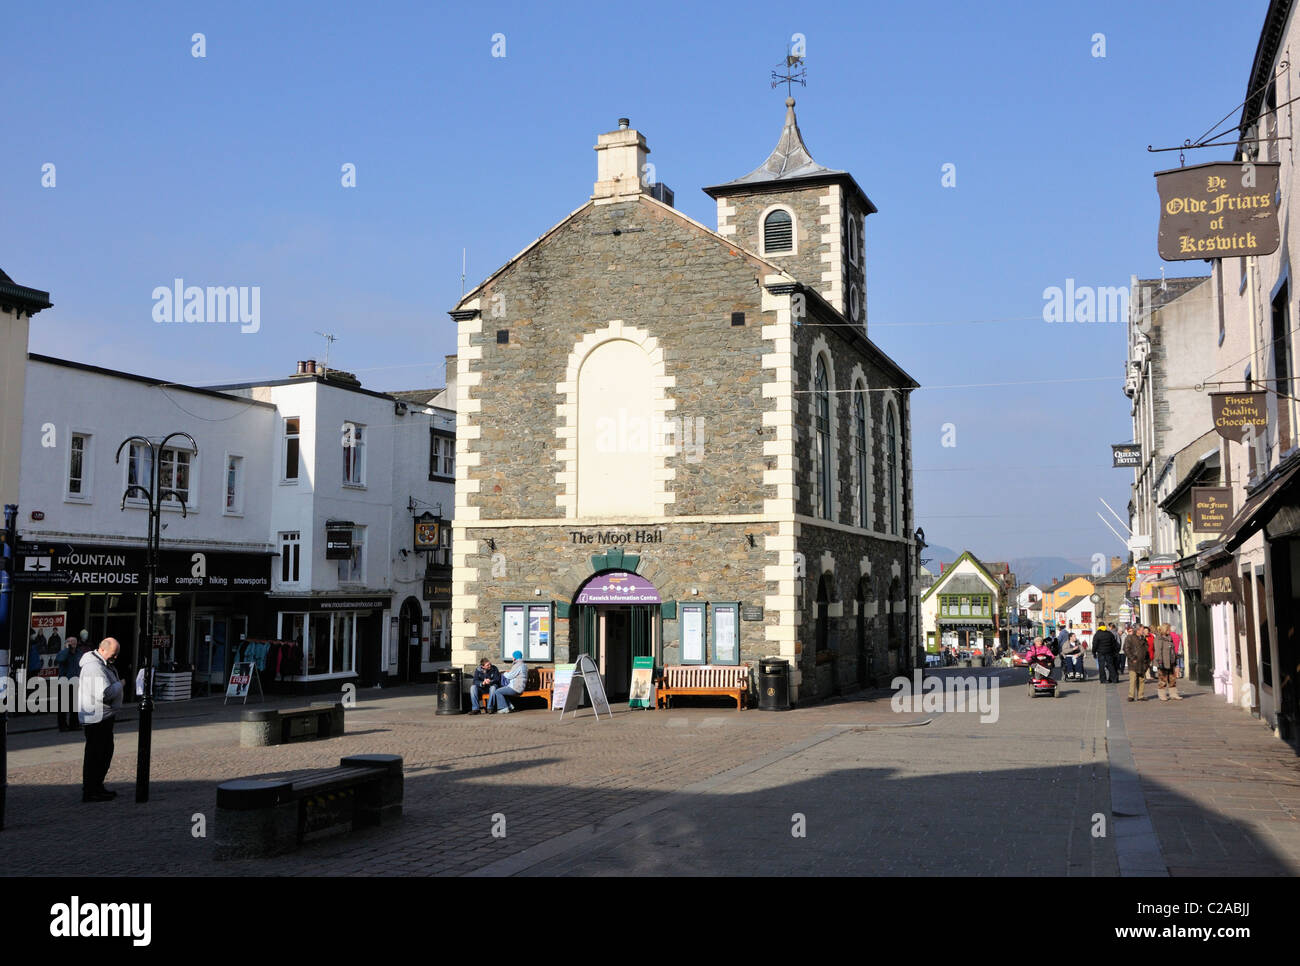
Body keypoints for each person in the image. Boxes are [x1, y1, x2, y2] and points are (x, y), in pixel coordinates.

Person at [79, 637, 124, 802]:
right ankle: (91, 790)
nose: (116, 657)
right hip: (97, 717)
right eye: (114, 654)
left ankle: (97, 786)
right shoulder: (94, 667)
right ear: (103, 650)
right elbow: (104, 693)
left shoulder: (102, 664)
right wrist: (120, 685)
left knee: (104, 752)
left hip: (102, 716)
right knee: (96, 754)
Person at [54, 636, 82, 731]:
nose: (73, 643)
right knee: (63, 706)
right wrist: (67, 649)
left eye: (74, 642)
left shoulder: (79, 653)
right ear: (67, 643)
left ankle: (74, 724)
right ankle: (62, 726)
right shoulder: (63, 653)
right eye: (71, 642)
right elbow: (60, 660)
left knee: (74, 705)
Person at [1154, 623, 1182, 701]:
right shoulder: (1159, 638)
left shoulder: (1169, 638)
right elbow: (1158, 651)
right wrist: (1159, 662)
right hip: (1163, 662)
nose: (1169, 631)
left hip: (1171, 662)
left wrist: (1175, 660)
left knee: (1172, 680)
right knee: (1162, 680)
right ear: (1165, 629)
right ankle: (1162, 695)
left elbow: (1172, 650)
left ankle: (1173, 694)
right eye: (1168, 629)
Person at [1123, 624, 1149, 701]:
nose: (1143, 631)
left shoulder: (1143, 638)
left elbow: (1146, 649)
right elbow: (1126, 649)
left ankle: (1140, 695)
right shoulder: (1130, 638)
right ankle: (1131, 695)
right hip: (1133, 662)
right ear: (1137, 630)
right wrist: (1132, 658)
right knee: (1133, 679)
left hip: (1142, 662)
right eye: (1142, 630)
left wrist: (1147, 660)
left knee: (1141, 679)